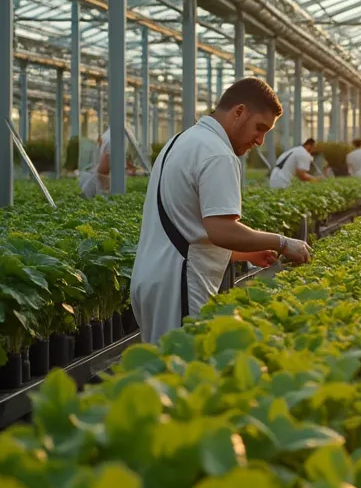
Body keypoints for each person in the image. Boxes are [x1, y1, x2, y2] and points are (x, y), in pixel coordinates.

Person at [131, 78, 312, 344]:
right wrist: (283, 242)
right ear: (239, 112)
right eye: (259, 128)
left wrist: (245, 253)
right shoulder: (219, 154)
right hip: (179, 285)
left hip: (154, 278)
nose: (261, 141)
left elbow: (188, 228)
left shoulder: (183, 141)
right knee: (181, 375)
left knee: (161, 368)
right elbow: (221, 231)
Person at [79, 127, 111, 198]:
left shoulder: (108, 135)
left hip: (89, 176)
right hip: (94, 182)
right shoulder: (113, 138)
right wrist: (108, 188)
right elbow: (103, 170)